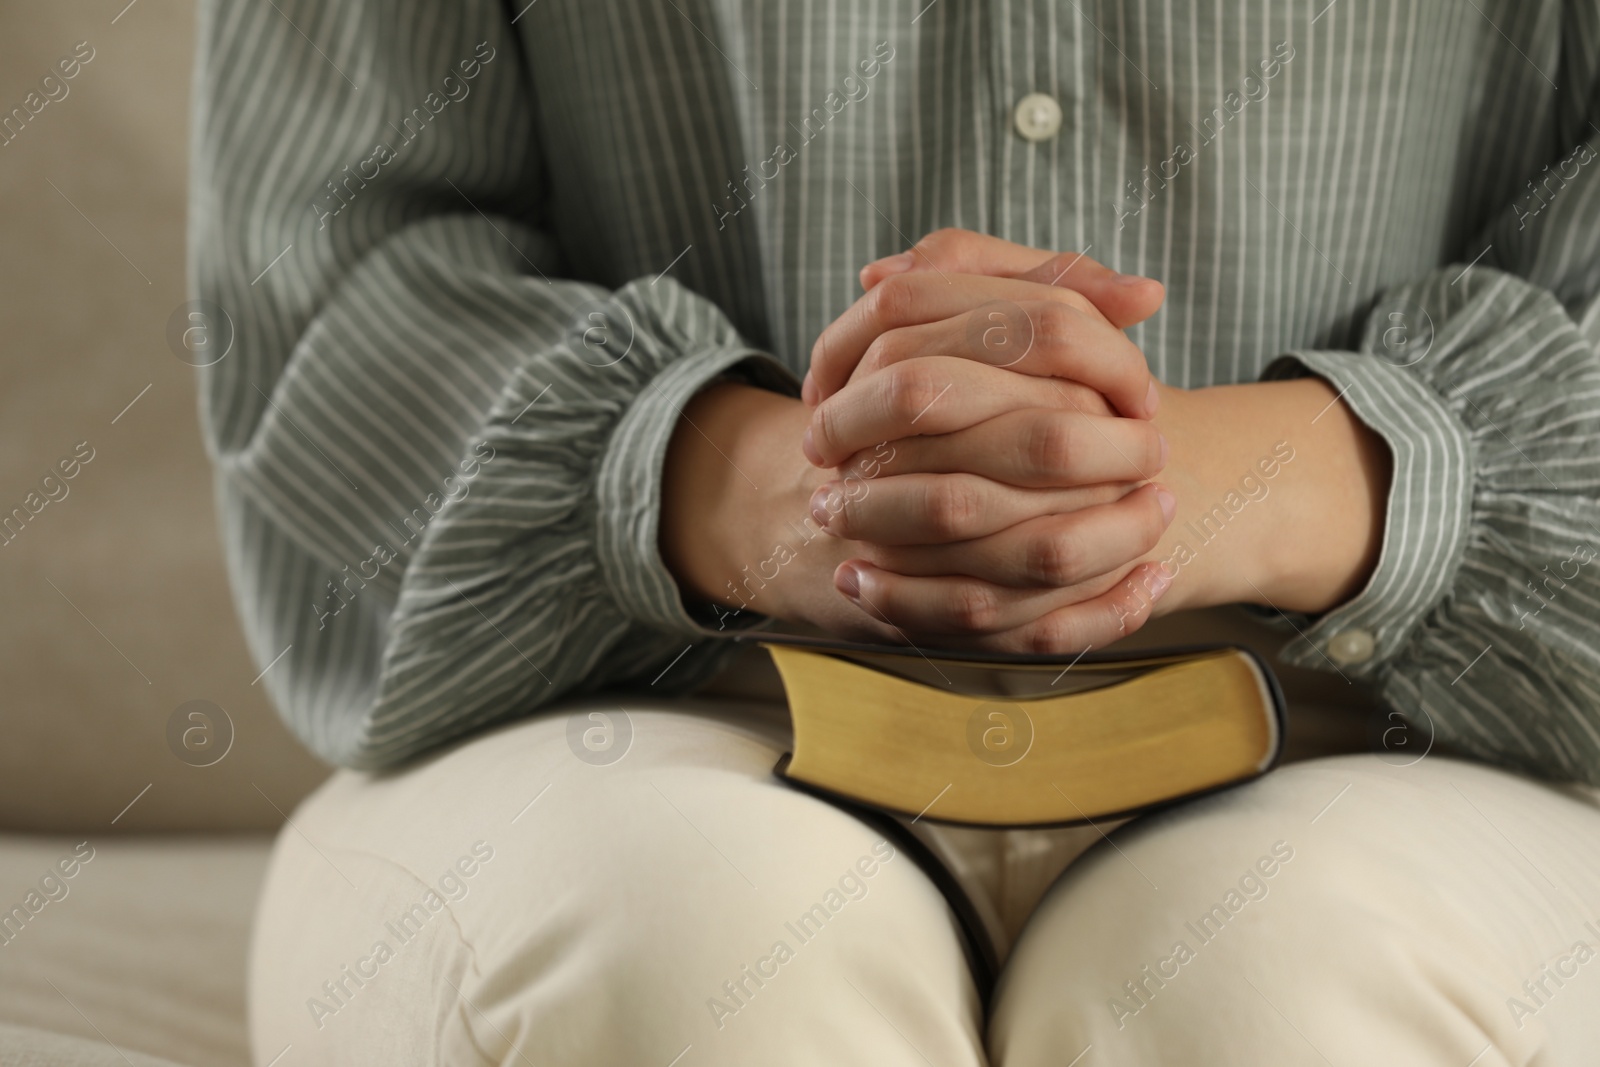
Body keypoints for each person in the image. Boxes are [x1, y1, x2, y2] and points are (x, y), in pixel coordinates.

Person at [189, 1, 1600, 1062]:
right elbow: (323, 270)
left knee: (1288, 988)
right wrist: (758, 490)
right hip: (640, 708)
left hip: (1403, 735)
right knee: (688, 954)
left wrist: (1240, 486)